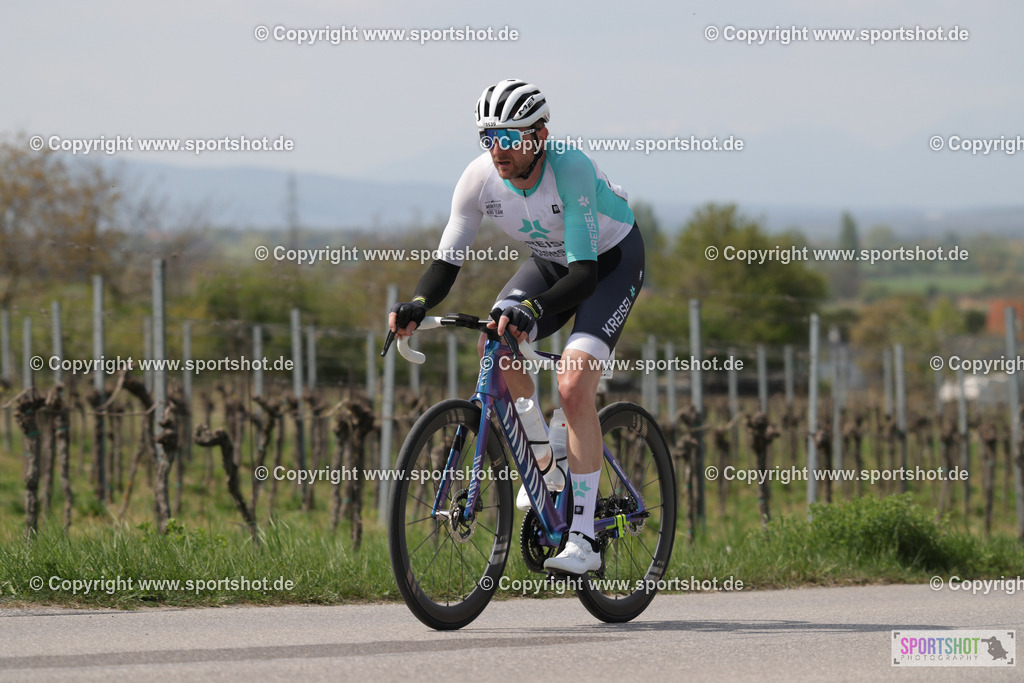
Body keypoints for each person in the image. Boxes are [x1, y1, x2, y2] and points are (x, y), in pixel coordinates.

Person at [388, 78, 644, 574]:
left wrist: (534, 310)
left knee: (572, 387)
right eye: (488, 138)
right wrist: (418, 302)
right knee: (497, 340)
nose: (497, 150)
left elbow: (584, 275)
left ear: (539, 136)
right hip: (552, 263)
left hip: (606, 264)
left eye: (508, 137)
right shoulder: (478, 177)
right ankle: (548, 468)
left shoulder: (570, 168)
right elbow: (446, 264)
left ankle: (585, 539)